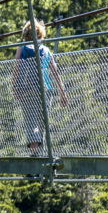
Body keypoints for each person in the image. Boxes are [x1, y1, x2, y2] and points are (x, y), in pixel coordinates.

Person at [13, 19, 67, 154]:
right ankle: (42, 157)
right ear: (41, 34)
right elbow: (55, 72)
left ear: (26, 34)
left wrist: (15, 87)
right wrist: (62, 92)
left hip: (27, 89)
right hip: (45, 89)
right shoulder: (47, 50)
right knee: (43, 125)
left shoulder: (22, 49)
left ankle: (35, 156)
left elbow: (17, 69)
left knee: (31, 123)